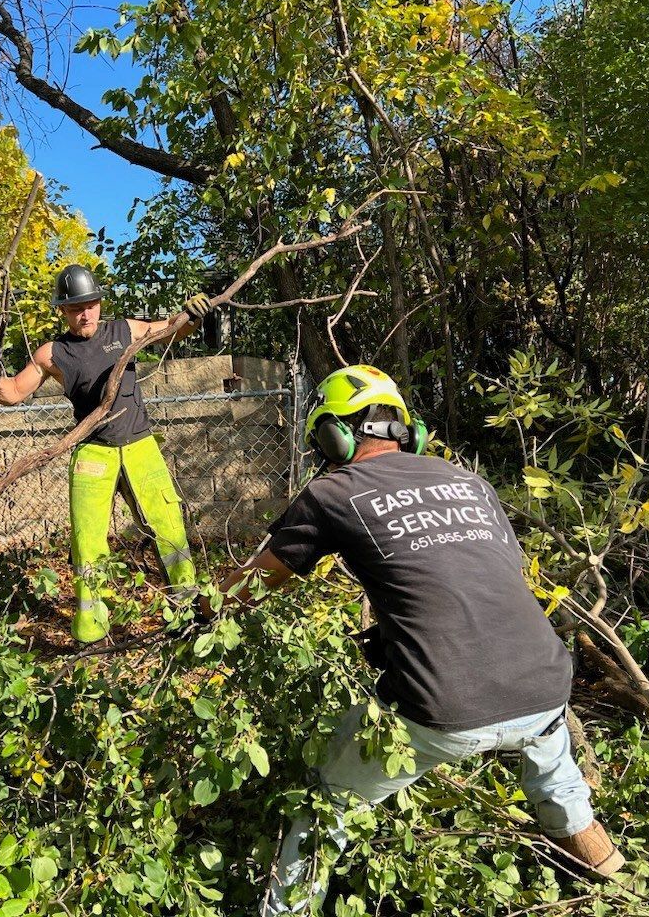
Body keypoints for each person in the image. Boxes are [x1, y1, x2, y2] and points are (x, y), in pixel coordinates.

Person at [205, 364, 625, 914]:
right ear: (409, 429)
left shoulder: (334, 491)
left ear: (337, 434)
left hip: (442, 704)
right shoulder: (471, 483)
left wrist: (199, 617)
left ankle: (287, 908)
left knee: (324, 801)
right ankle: (611, 874)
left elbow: (255, 583)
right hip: (547, 685)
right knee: (556, 775)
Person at [0, 264, 214, 643]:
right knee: (88, 542)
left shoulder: (124, 330)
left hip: (141, 446)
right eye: (76, 308)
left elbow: (170, 328)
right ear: (63, 311)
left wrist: (192, 313)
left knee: (169, 528)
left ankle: (188, 613)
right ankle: (92, 631)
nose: (85, 313)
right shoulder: (52, 353)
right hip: (94, 451)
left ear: (99, 302)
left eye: (90, 304)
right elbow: (11, 393)